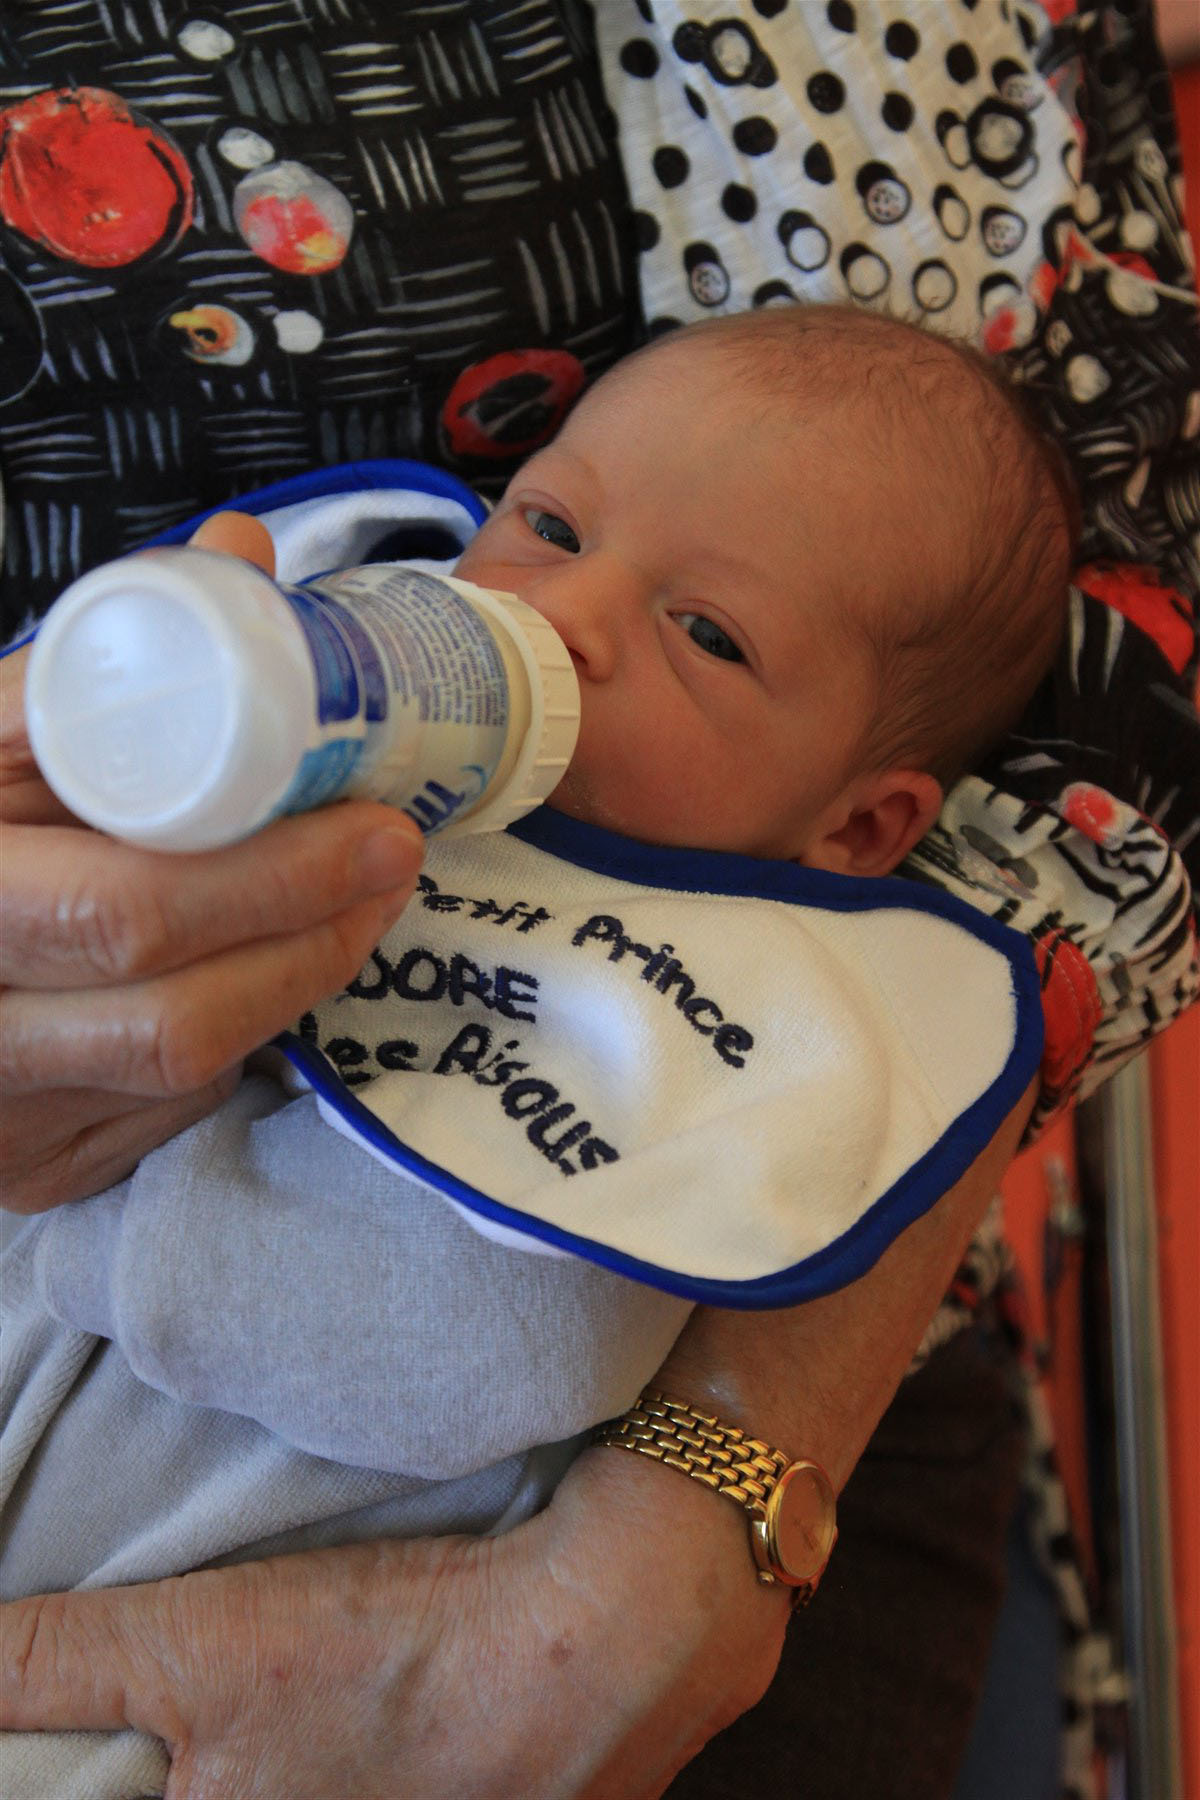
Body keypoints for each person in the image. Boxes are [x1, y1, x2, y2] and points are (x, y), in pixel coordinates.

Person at [1, 301, 1072, 1797]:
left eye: (708, 636)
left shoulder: (706, 1023)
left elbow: (501, 1348)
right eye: (552, 523)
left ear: (855, 827)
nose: (569, 613)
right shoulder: (349, 690)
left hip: (209, 1638)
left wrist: (82, 1234)